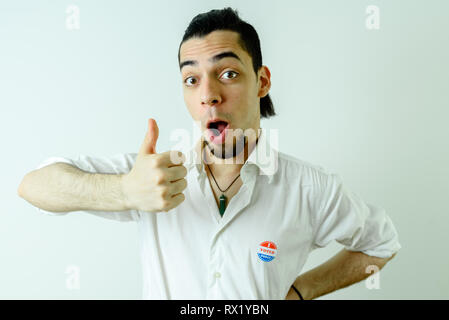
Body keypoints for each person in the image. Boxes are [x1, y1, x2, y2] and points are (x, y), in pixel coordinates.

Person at [17, 7, 401, 300]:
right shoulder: (151, 176)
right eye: (191, 79)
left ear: (262, 80)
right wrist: (124, 192)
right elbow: (34, 186)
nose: (208, 94)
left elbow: (381, 244)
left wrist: (300, 291)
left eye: (228, 73)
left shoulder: (311, 188)